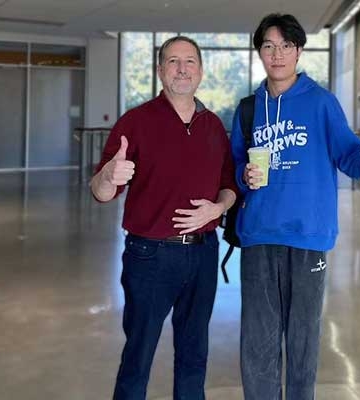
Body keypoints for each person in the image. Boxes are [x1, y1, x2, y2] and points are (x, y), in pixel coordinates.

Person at [229, 13, 360, 400]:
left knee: (302, 343)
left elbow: (352, 159)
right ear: (260, 53)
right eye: (268, 46)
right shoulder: (249, 109)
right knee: (258, 344)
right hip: (258, 237)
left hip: (308, 238)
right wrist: (243, 177)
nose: (277, 54)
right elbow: (234, 167)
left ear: (299, 51)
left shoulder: (321, 104)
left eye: (285, 45)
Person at [92, 35, 238, 400]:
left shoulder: (213, 125)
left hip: (203, 253)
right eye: (173, 61)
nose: (182, 69)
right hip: (150, 257)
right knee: (138, 355)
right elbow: (100, 190)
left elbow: (230, 184)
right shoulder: (136, 122)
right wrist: (110, 175)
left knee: (194, 356)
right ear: (160, 71)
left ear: (201, 71)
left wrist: (218, 208)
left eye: (190, 61)